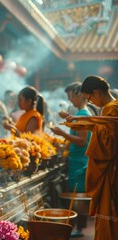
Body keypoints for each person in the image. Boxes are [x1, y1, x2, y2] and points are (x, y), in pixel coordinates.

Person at [69, 75, 118, 240]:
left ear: (96, 93)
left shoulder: (110, 109)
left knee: (110, 213)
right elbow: (105, 129)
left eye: (89, 99)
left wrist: (87, 124)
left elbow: (108, 145)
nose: (90, 103)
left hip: (112, 170)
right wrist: (83, 122)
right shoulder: (113, 107)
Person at [50, 82, 91, 237]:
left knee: (77, 197)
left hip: (80, 163)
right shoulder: (80, 114)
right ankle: (78, 228)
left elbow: (82, 141)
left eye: (71, 96)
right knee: (77, 196)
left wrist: (62, 134)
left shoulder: (83, 115)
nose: (70, 100)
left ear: (80, 94)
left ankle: (78, 229)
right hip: (77, 161)